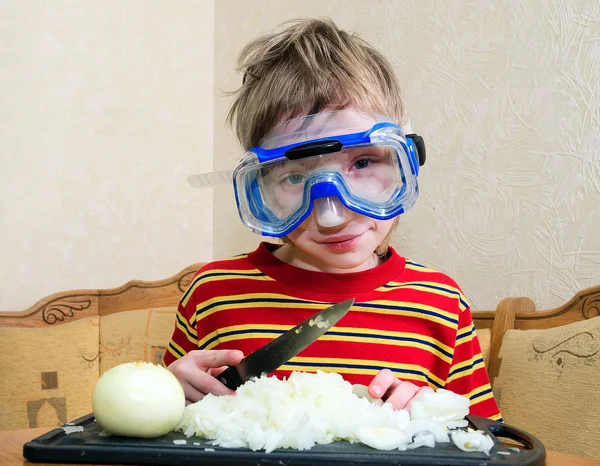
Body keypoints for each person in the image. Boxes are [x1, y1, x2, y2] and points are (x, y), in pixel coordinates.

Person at [163, 18, 501, 421]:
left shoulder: (440, 302)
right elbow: (164, 426)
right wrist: (168, 395)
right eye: (294, 176)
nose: (331, 215)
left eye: (362, 163)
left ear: (405, 162)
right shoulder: (211, 292)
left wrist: (432, 414)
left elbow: (481, 441)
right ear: (261, 189)